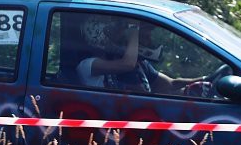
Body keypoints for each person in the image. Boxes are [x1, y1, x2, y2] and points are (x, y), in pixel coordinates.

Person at [77, 17, 209, 94]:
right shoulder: (87, 65)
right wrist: (134, 27)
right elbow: (128, 64)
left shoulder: (137, 64)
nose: (122, 35)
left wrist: (204, 79)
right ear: (103, 35)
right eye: (117, 31)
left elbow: (171, 84)